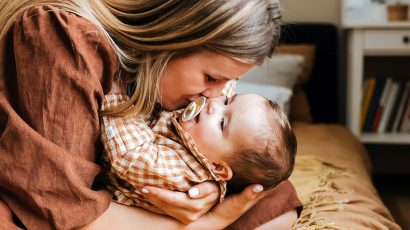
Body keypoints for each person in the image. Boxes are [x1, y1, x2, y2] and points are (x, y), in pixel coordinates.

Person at [0, 0, 302, 229]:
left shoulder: (176, 86)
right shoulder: (64, 37)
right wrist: (210, 222)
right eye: (211, 78)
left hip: (110, 195)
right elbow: (60, 207)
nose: (215, 97)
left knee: (267, 190)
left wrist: (207, 187)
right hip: (50, 196)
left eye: (230, 87)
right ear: (173, 37)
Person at [100, 93, 297, 214]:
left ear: (217, 167)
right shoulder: (199, 135)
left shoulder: (185, 173)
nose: (214, 104)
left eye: (222, 123)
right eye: (228, 101)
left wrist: (117, 100)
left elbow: (132, 155)